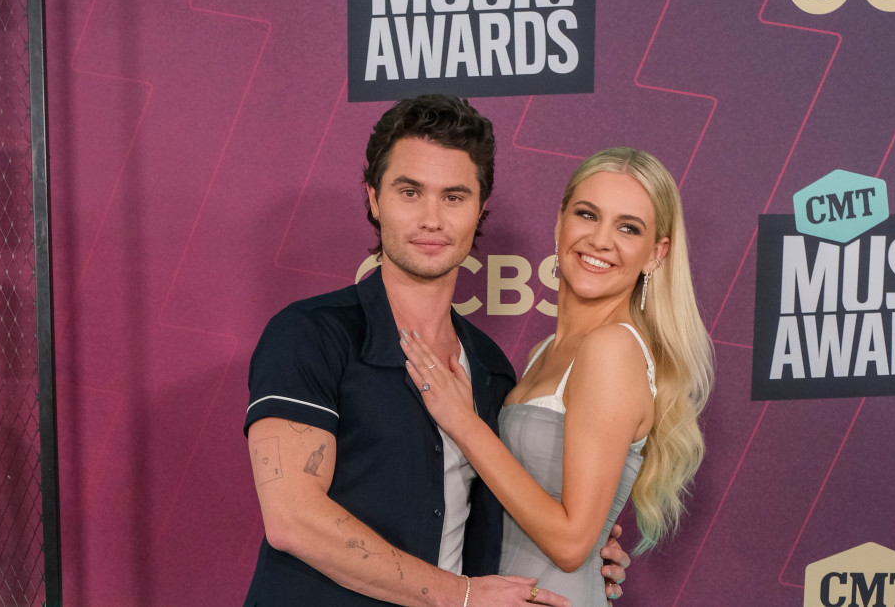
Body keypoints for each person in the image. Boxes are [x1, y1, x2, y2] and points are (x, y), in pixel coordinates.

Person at [243, 95, 630, 606]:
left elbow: (512, 513)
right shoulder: (309, 335)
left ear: (479, 208)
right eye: (410, 192)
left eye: (454, 197)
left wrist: (586, 552)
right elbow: (293, 519)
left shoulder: (492, 370)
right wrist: (460, 596)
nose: (432, 219)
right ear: (374, 199)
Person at [401, 148, 714, 605]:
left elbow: (570, 545)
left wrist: (464, 422)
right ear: (559, 223)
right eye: (587, 215)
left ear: (656, 253)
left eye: (628, 228)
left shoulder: (612, 349)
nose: (601, 240)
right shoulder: (545, 352)